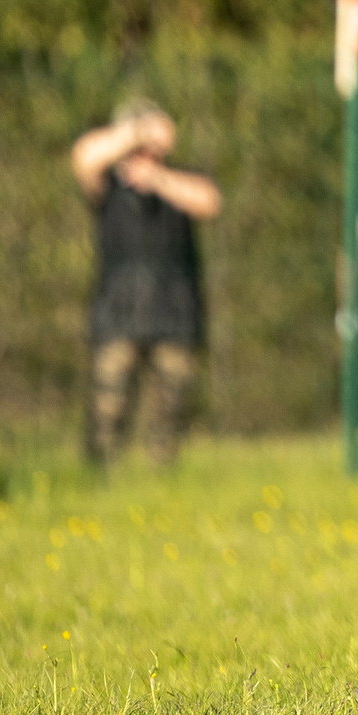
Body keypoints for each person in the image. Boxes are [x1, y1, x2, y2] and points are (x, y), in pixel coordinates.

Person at [71, 100, 223, 467]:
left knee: (173, 403)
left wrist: (157, 179)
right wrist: (139, 130)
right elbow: (84, 156)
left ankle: (162, 473)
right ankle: (103, 475)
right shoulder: (106, 183)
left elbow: (209, 201)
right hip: (118, 305)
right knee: (108, 402)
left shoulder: (176, 179)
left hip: (174, 305)